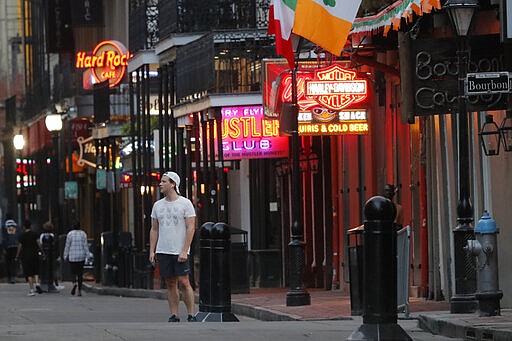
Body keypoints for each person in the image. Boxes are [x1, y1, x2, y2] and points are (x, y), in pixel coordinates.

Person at [149, 171, 197, 322]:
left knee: (184, 281)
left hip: (180, 250)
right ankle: (174, 314)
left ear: (173, 184)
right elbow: (154, 229)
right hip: (164, 249)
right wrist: (152, 250)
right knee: (170, 282)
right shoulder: (158, 205)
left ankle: (191, 314)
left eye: (164, 181)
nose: (160, 184)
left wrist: (184, 250)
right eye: (161, 181)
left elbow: (191, 227)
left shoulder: (185, 203)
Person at [15, 219, 44, 296]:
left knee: (29, 273)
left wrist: (17, 256)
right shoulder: (35, 234)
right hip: (35, 254)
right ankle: (37, 283)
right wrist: (42, 252)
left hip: (26, 255)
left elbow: (20, 246)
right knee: (36, 270)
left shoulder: (21, 236)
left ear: (24, 227)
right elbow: (39, 244)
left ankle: (32, 290)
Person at [63, 220, 90, 296]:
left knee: (73, 272)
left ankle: (74, 283)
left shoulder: (70, 234)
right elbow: (85, 245)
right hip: (81, 256)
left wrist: (65, 255)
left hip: (73, 256)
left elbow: (67, 246)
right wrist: (88, 255)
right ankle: (79, 291)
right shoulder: (83, 234)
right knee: (80, 274)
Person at [39, 221, 64, 290]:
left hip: (44, 254)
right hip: (51, 254)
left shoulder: (42, 235)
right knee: (52, 269)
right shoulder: (52, 235)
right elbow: (54, 244)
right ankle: (52, 283)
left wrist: (42, 252)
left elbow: (40, 244)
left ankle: (43, 282)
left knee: (44, 269)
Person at [2, 214, 20, 283]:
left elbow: (3, 237)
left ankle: (9, 277)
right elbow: (18, 235)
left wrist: (3, 247)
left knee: (8, 262)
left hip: (7, 246)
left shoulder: (4, 225)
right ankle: (14, 277)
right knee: (14, 261)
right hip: (15, 245)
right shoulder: (16, 225)